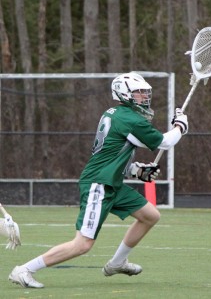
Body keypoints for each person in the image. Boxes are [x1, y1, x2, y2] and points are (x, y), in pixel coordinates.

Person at [9, 72, 188, 288]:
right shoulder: (128, 118)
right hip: (99, 184)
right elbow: (165, 142)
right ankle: (25, 269)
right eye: (139, 92)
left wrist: (135, 171)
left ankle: (117, 263)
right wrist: (180, 126)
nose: (144, 97)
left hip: (110, 180)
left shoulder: (116, 114)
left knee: (150, 215)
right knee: (83, 244)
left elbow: (111, 154)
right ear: (124, 94)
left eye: (144, 92)